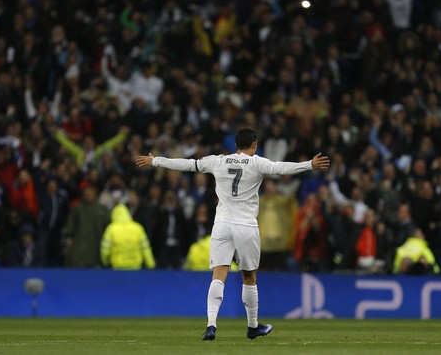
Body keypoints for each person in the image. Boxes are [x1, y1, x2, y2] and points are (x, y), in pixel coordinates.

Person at [136, 128, 330, 340]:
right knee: (249, 276)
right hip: (246, 226)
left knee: (218, 275)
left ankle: (211, 324)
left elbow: (187, 164)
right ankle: (253, 326)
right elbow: (281, 168)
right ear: (254, 145)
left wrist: (156, 161)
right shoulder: (257, 163)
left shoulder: (218, 161)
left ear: (235, 145)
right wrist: (309, 165)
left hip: (221, 225)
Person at [100, 204, 155, 270]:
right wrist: (150, 264)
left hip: (117, 268)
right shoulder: (138, 228)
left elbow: (105, 250)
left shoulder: (111, 229)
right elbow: (146, 248)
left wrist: (105, 262)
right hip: (136, 267)